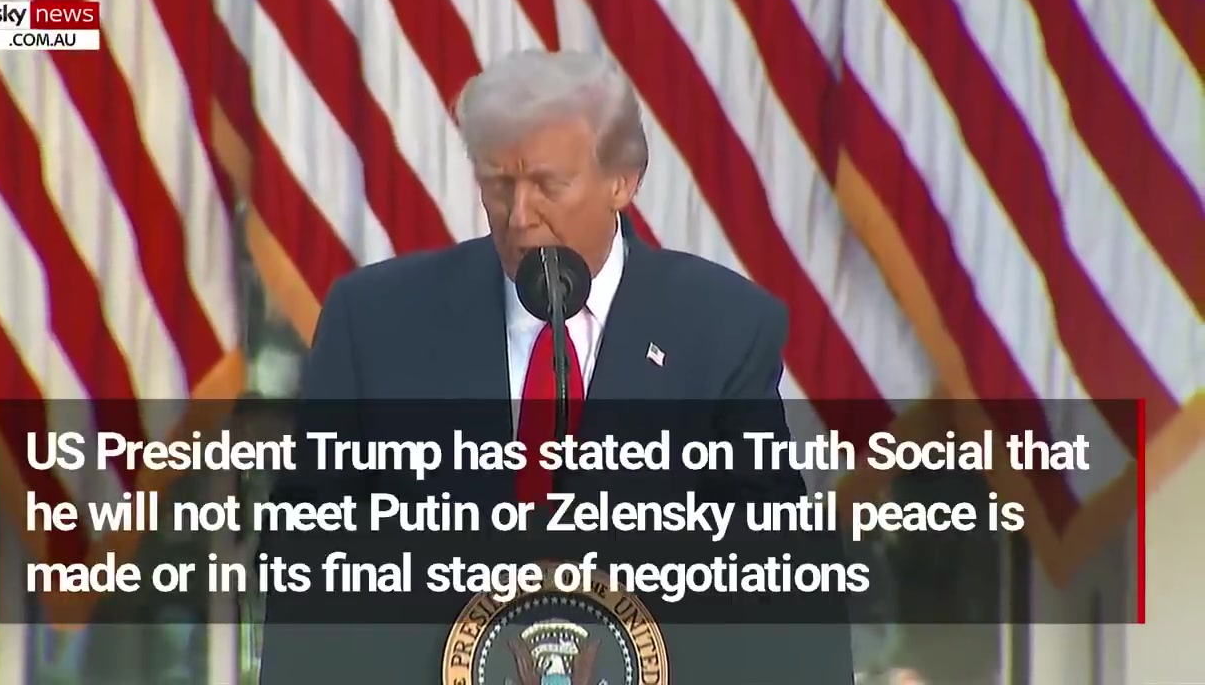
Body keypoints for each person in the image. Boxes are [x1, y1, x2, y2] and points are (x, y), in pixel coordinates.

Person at [259, 49, 854, 683]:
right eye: (498, 185)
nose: (519, 217)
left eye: (547, 185)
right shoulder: (375, 322)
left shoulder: (721, 329)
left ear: (622, 182)